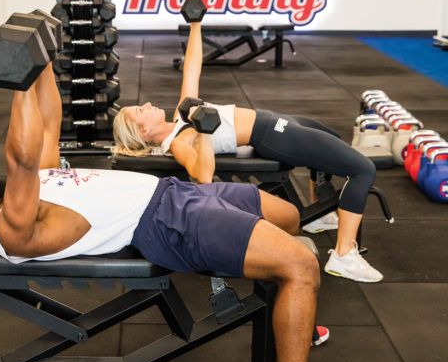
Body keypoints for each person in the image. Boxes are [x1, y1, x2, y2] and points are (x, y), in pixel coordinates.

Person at [0, 58, 363, 362]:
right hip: (167, 222)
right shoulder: (12, 228)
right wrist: (18, 79)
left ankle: (288, 322)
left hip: (174, 194)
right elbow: (19, 157)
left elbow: (48, 120)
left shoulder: (27, 192)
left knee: (287, 217)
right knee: (302, 264)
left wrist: (38, 63)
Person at [113, 20, 382, 284]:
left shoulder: (181, 116)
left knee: (332, 139)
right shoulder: (179, 142)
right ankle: (344, 255)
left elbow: (192, 69)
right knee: (362, 170)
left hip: (276, 121)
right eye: (140, 110)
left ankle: (319, 214)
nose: (147, 104)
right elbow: (203, 176)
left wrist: (195, 24)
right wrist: (205, 129)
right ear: (144, 133)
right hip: (272, 135)